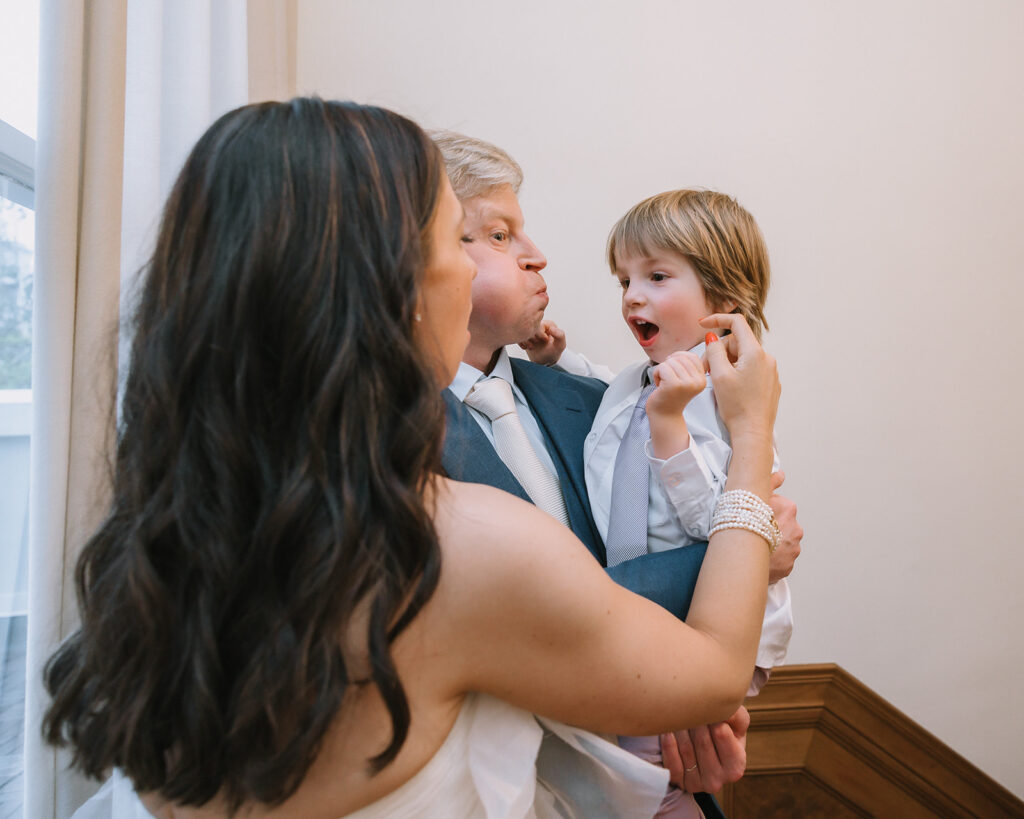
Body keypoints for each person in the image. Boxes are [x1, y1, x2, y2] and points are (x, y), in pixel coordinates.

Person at [43, 98, 783, 819]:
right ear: (391, 290)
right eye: (456, 242)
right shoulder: (459, 546)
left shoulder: (160, 548)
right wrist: (750, 438)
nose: (473, 270)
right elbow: (717, 673)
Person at [434, 132, 803, 814]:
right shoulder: (383, 439)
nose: (538, 253)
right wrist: (747, 552)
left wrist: (688, 709)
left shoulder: (594, 402)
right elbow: (541, 612)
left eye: (656, 276)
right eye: (499, 232)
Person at [558, 189, 792, 817]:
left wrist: (671, 427)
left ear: (725, 300)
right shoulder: (640, 378)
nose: (633, 295)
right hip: (646, 623)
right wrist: (554, 355)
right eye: (625, 279)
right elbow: (604, 384)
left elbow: (726, 525)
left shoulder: (732, 396)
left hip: (714, 626)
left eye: (657, 276)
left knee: (652, 773)